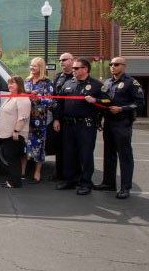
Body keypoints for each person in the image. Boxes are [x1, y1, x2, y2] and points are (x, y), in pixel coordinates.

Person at [94, 57, 145, 199]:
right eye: (111, 64)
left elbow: (139, 103)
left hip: (123, 123)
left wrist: (122, 109)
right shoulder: (108, 82)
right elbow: (105, 101)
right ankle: (108, 183)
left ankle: (125, 187)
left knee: (125, 156)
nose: (112, 67)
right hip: (109, 122)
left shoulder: (131, 83)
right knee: (109, 154)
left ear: (124, 66)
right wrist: (99, 118)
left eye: (116, 64)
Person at [54, 58, 104, 195]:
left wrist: (96, 100)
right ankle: (70, 180)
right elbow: (60, 103)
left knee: (85, 154)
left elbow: (108, 101)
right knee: (68, 153)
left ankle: (86, 183)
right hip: (68, 124)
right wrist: (57, 119)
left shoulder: (96, 85)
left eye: (76, 68)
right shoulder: (68, 83)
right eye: (74, 68)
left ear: (85, 69)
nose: (73, 71)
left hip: (86, 125)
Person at [0, 76, 31, 188]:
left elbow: (23, 117)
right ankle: (12, 180)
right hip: (7, 133)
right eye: (9, 83)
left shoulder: (22, 98)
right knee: (10, 157)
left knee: (13, 158)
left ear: (19, 85)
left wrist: (16, 130)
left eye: (13, 83)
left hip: (15, 134)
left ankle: (15, 182)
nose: (10, 85)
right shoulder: (11, 97)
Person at [22, 57, 54, 183]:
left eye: (34, 66)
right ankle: (22, 171)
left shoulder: (47, 82)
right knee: (24, 145)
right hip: (25, 118)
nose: (31, 68)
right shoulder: (27, 81)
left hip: (39, 120)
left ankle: (37, 172)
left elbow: (51, 101)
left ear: (40, 67)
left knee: (39, 146)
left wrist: (39, 98)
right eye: (31, 65)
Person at [49, 53, 74, 180]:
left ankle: (70, 174)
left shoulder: (76, 77)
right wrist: (56, 118)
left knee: (71, 148)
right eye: (60, 60)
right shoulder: (58, 77)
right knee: (58, 146)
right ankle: (58, 173)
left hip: (73, 118)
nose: (61, 62)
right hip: (59, 117)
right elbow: (55, 98)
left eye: (64, 60)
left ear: (72, 60)